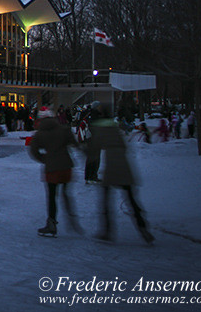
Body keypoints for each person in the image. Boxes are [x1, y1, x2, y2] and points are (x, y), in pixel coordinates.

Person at [89, 103, 154, 244]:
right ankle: (143, 227)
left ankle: (107, 230)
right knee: (131, 199)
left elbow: (94, 149)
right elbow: (124, 146)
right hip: (124, 165)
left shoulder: (100, 128)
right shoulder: (115, 127)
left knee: (106, 199)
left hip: (112, 167)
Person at [29, 107, 83, 237]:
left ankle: (51, 223)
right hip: (66, 166)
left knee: (52, 196)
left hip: (52, 168)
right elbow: (75, 144)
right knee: (66, 192)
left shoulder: (40, 134)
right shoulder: (63, 129)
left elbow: (33, 151)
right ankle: (72, 217)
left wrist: (44, 159)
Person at [83, 102, 102, 184]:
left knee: (91, 158)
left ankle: (88, 176)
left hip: (91, 140)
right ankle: (93, 176)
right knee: (95, 158)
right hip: (95, 140)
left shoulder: (90, 115)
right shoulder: (96, 116)